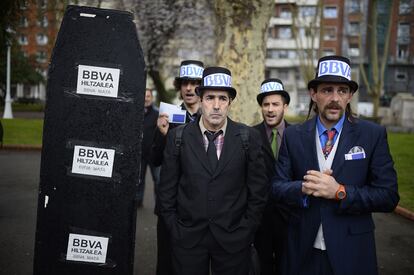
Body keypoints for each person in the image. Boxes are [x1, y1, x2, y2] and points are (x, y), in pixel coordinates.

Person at [272, 55, 399, 275]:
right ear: (314, 94)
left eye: (342, 91)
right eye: (327, 90)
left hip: (351, 253)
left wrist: (340, 192)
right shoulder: (293, 136)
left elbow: (388, 196)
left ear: (350, 96)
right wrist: (302, 188)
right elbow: (276, 187)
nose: (335, 98)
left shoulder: (372, 135)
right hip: (302, 250)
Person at [158, 66, 268, 275]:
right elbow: (166, 191)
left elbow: (258, 192)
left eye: (222, 98)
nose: (216, 106)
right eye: (210, 98)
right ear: (200, 99)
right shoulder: (178, 138)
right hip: (188, 240)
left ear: (229, 102)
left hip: (233, 240)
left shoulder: (248, 137)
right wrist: (175, 229)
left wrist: (246, 230)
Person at [152, 60, 204, 275]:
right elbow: (154, 159)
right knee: (167, 262)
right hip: (172, 206)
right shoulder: (169, 116)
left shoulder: (214, 119)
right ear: (179, 86)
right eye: (185, 83)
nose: (189, 88)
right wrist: (162, 135)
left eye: (194, 83)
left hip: (201, 206)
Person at [253, 79, 290, 275]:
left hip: (291, 221)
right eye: (265, 104)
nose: (270, 109)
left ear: (285, 106)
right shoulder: (250, 135)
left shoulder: (298, 135)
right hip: (261, 221)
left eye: (275, 104)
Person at [137, 88, 160, 207]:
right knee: (139, 180)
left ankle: (159, 205)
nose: (146, 98)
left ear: (152, 98)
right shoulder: (137, 112)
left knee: (158, 180)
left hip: (154, 153)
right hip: (140, 153)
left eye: (148, 96)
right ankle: (138, 202)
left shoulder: (158, 114)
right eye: (144, 96)